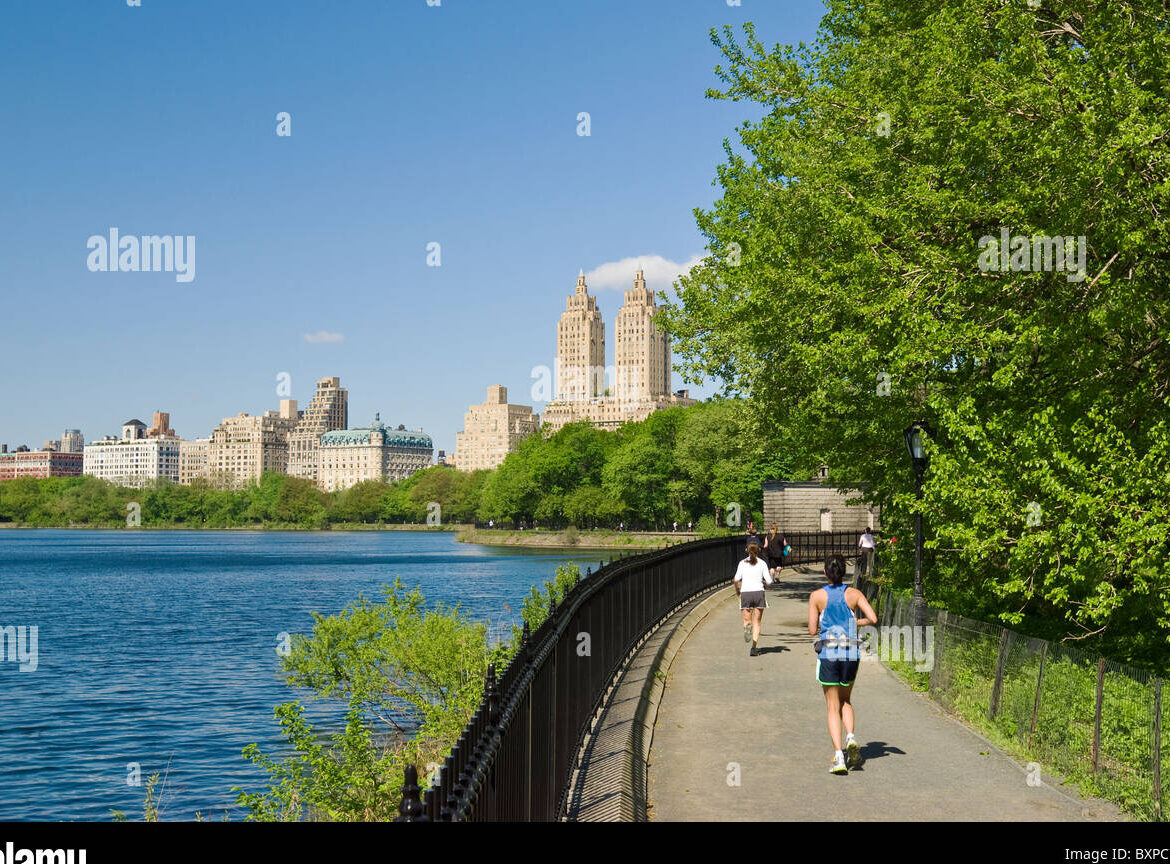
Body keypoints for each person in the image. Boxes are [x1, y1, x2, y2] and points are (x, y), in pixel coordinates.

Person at [808, 553, 878, 775]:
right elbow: (873, 619)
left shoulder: (817, 596)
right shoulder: (854, 594)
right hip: (851, 653)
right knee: (846, 700)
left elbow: (811, 630)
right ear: (844, 573)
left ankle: (839, 756)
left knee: (831, 706)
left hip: (829, 653)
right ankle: (851, 737)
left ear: (825, 572)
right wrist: (855, 621)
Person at [734, 542, 772, 656]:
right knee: (757, 622)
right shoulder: (762, 564)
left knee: (747, 620)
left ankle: (747, 626)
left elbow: (736, 579)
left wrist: (737, 590)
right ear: (758, 550)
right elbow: (769, 581)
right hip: (758, 593)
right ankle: (754, 648)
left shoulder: (742, 563)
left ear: (746, 550)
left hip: (745, 593)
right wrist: (764, 584)